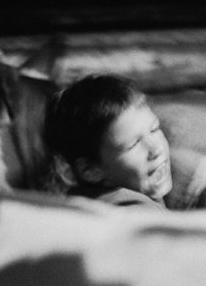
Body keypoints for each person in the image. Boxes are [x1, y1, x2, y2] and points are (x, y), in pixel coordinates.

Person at [45, 74, 172, 210]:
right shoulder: (137, 211)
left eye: (154, 129)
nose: (156, 149)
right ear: (90, 170)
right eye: (133, 145)